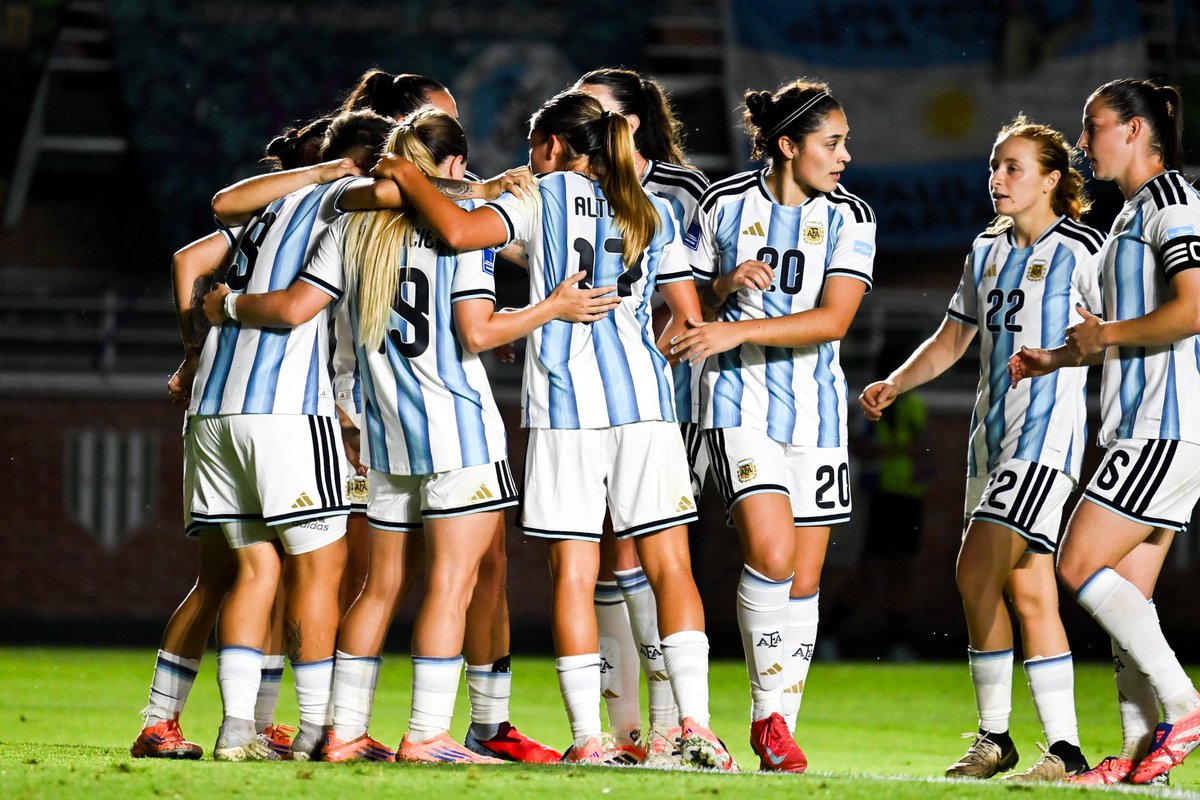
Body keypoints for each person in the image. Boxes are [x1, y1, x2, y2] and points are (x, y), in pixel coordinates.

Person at [373, 89, 736, 770]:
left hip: (568, 409)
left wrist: (411, 173)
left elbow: (456, 231)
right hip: (646, 405)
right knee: (673, 568)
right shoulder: (646, 206)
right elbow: (684, 315)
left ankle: (591, 739)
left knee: (574, 572)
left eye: (532, 149)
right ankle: (697, 729)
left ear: (552, 148)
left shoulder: (542, 195)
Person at [861, 116, 1102, 782]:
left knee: (974, 572)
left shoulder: (1084, 250)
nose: (996, 179)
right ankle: (1066, 749)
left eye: (1013, 168)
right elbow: (952, 337)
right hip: (989, 441)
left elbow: (1117, 334)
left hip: (1042, 440)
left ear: (1052, 180)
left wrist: (1059, 359)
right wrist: (897, 381)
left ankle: (996, 737)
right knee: (1028, 591)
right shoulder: (987, 249)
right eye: (994, 166)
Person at [669, 79, 873, 774]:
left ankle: (780, 725)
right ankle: (765, 721)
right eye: (832, 143)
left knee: (806, 579)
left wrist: (736, 330)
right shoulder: (722, 203)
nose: (845, 157)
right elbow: (685, 296)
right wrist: (723, 289)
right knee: (774, 554)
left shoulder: (852, 217)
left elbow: (835, 320)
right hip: (736, 402)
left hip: (815, 411)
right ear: (789, 145)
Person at [1009, 78, 1200, 786]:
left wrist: (1106, 332)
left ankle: (1183, 706)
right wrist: (1057, 356)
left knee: (1076, 563)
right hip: (1141, 424)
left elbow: (1193, 309)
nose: (1083, 142)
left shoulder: (1175, 205)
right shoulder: (1127, 218)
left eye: (1093, 128)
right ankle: (1142, 753)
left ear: (1136, 131)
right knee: (1128, 600)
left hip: (1165, 423)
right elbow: (1107, 336)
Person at [130, 118, 339, 761]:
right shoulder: (325, 206)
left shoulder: (259, 217)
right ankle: (294, 725)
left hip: (219, 406)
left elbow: (188, 259)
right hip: (283, 409)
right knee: (283, 571)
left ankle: (226, 722)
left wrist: (195, 351)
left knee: (248, 570)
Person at [575, 66, 709, 766]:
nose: (577, 117)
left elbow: (691, 295)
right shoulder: (571, 181)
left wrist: (638, 354)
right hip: (581, 397)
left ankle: (668, 726)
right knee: (600, 552)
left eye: (590, 108)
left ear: (627, 122)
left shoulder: (678, 191)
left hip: (651, 397)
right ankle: (628, 734)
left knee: (643, 548)